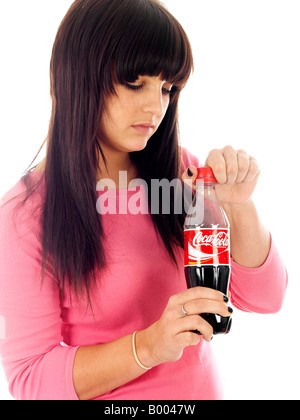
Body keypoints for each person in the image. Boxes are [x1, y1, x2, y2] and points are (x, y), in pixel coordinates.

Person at [0, 0, 287, 400]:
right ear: (77, 77)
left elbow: (264, 298)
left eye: (167, 88)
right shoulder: (25, 215)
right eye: (136, 83)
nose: (157, 107)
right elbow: (30, 379)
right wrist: (148, 346)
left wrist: (239, 207)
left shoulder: (181, 175)